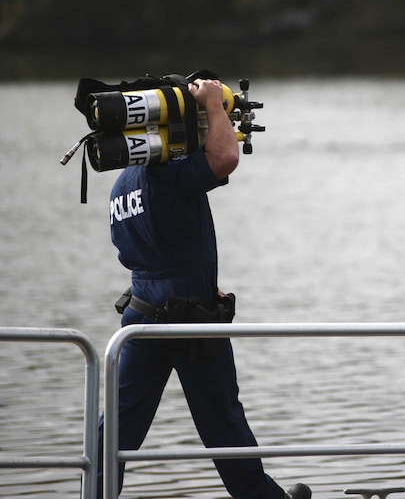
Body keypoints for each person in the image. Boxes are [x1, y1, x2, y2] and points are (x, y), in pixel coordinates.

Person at [97, 78, 310, 499]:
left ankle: (92, 492)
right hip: (189, 322)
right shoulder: (169, 175)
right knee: (227, 434)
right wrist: (213, 102)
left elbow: (154, 251)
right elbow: (226, 156)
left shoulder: (123, 183)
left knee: (112, 437)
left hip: (139, 320)